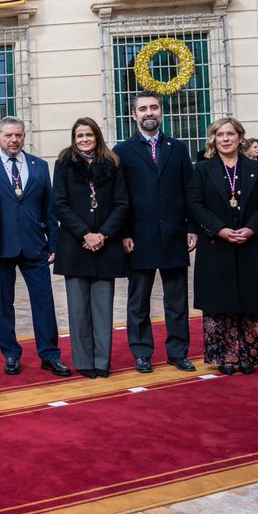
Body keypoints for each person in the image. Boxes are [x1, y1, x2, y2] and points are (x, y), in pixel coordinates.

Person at [113, 94, 198, 374]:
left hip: (174, 234)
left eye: (153, 107)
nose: (148, 112)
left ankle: (178, 352)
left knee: (177, 300)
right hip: (138, 237)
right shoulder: (122, 151)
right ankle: (141, 353)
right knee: (138, 301)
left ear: (161, 112)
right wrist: (124, 232)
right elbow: (119, 196)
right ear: (133, 115)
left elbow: (190, 190)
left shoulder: (178, 148)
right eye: (143, 109)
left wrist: (191, 227)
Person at [186, 118, 258, 374]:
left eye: (230, 134)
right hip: (217, 244)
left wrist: (251, 228)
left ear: (240, 137)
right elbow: (195, 204)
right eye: (220, 135)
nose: (225, 139)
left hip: (251, 244)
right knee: (219, 301)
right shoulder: (202, 169)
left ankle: (249, 355)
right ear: (213, 139)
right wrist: (219, 229)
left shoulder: (256, 168)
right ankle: (225, 356)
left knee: (251, 299)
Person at [0, 117, 69, 377]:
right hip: (0, 246)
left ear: (24, 136)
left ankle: (50, 355)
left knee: (44, 301)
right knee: (3, 304)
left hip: (34, 245)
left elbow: (49, 207)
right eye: (8, 135)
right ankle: (11, 354)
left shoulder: (39, 166)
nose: (14, 140)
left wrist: (53, 241)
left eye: (18, 135)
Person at [52, 118, 129, 378]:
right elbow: (60, 204)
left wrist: (103, 234)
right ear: (74, 139)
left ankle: (102, 362)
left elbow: (122, 203)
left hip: (106, 246)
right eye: (80, 136)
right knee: (78, 309)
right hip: (75, 246)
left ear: (97, 136)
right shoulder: (63, 163)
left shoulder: (113, 163)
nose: (85, 139)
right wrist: (85, 234)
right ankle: (84, 362)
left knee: (102, 309)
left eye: (89, 135)